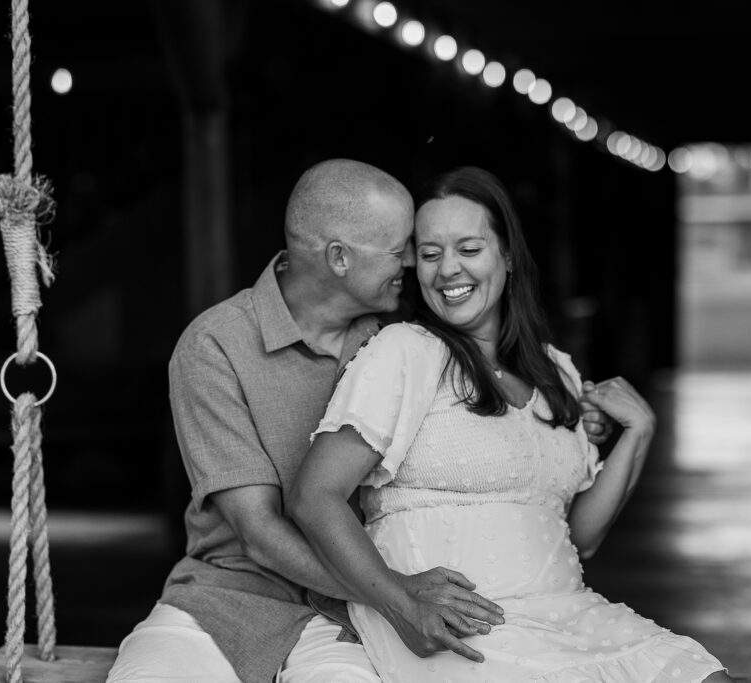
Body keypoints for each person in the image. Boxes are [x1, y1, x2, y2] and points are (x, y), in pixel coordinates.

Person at [107, 159, 615, 683]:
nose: (417, 264)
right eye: (402, 251)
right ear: (340, 259)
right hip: (230, 601)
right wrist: (396, 590)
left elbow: (488, 423)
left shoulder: (402, 340)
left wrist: (576, 421)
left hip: (352, 617)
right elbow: (259, 532)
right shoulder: (216, 345)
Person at [289, 166, 734, 682]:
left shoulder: (556, 372)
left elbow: (580, 535)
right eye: (430, 254)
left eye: (468, 249)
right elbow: (314, 496)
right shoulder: (405, 352)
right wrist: (400, 603)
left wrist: (638, 434)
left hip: (569, 613)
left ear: (507, 256)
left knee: (705, 677)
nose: (447, 269)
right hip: (463, 626)